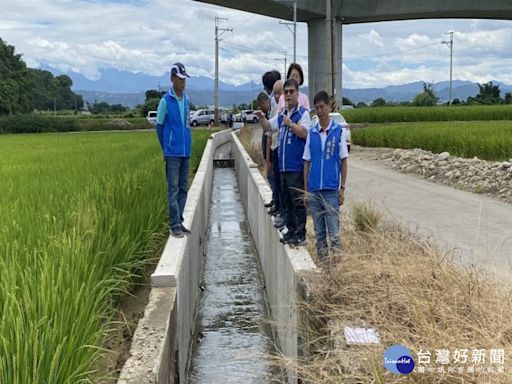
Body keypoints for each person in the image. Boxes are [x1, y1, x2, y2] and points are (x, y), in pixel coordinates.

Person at [257, 78, 311, 247]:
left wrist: (291, 124)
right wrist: (261, 117)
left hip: (296, 166)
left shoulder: (303, 113)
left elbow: (305, 133)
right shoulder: (281, 116)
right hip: (283, 166)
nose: (288, 95)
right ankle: (290, 231)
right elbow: (269, 127)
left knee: (297, 201)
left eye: (291, 92)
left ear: (297, 94)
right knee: (286, 200)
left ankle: (300, 235)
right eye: (286, 92)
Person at [303, 91, 348, 260]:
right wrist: (306, 190)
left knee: (334, 232)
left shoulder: (338, 132)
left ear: (329, 107)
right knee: (319, 233)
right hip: (314, 190)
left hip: (330, 190)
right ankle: (323, 265)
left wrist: (342, 188)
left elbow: (343, 161)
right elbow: (306, 162)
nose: (320, 111)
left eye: (323, 107)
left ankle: (337, 266)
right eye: (317, 108)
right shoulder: (312, 133)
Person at [156, 62, 192, 238]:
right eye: (180, 79)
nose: (183, 82)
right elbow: (159, 126)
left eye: (184, 79)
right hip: (172, 152)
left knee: (184, 187)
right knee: (173, 188)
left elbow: (186, 124)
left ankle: (179, 219)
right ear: (172, 79)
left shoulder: (186, 100)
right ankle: (174, 224)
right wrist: (166, 146)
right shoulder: (165, 101)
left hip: (186, 151)